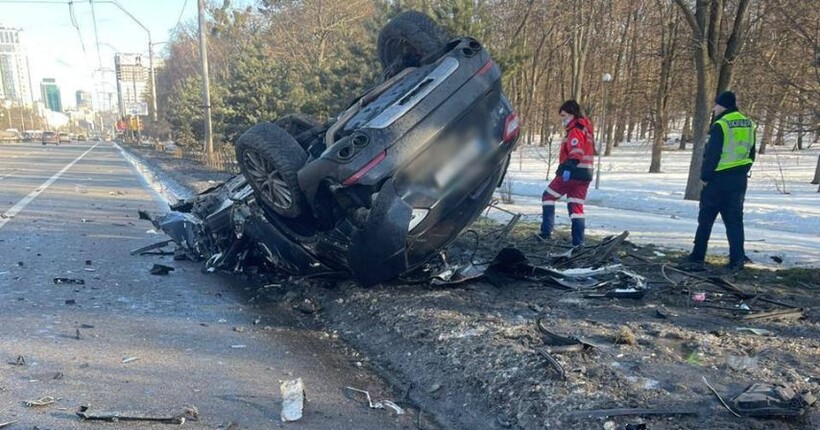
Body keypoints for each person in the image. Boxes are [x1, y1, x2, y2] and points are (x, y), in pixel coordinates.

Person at [683, 91, 755, 271]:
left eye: (716, 105)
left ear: (722, 105)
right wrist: (743, 169)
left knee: (706, 218)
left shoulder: (721, 125)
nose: (714, 108)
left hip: (718, 179)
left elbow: (712, 154)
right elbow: (752, 152)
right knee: (734, 220)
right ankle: (737, 259)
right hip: (739, 179)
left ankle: (698, 256)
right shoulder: (748, 124)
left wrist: (705, 177)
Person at [539, 100, 595, 246]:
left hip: (573, 173)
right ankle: (578, 242)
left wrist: (566, 169)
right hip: (586, 174)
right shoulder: (585, 128)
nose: (562, 119)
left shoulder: (575, 129)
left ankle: (545, 232)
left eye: (564, 115)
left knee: (548, 196)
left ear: (572, 114)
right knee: (576, 207)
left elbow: (576, 151)